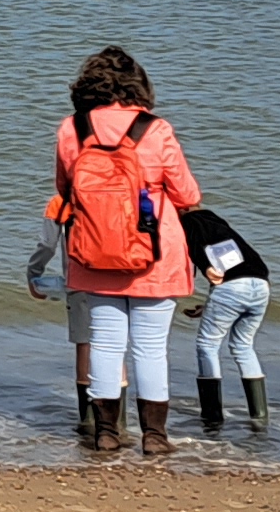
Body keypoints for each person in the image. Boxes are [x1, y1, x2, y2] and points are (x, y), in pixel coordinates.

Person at [45, 44, 203, 458]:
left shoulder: (71, 129)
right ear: (138, 85)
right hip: (153, 254)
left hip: (92, 251)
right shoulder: (156, 129)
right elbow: (187, 194)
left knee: (105, 344)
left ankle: (106, 433)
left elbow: (64, 188)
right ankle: (154, 436)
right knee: (150, 348)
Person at [180, 186, 272, 438]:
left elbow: (210, 268)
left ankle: (212, 416)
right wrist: (210, 303)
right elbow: (227, 261)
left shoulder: (186, 224)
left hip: (232, 287)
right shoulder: (217, 222)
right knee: (243, 346)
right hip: (261, 283)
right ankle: (259, 415)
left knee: (207, 345)